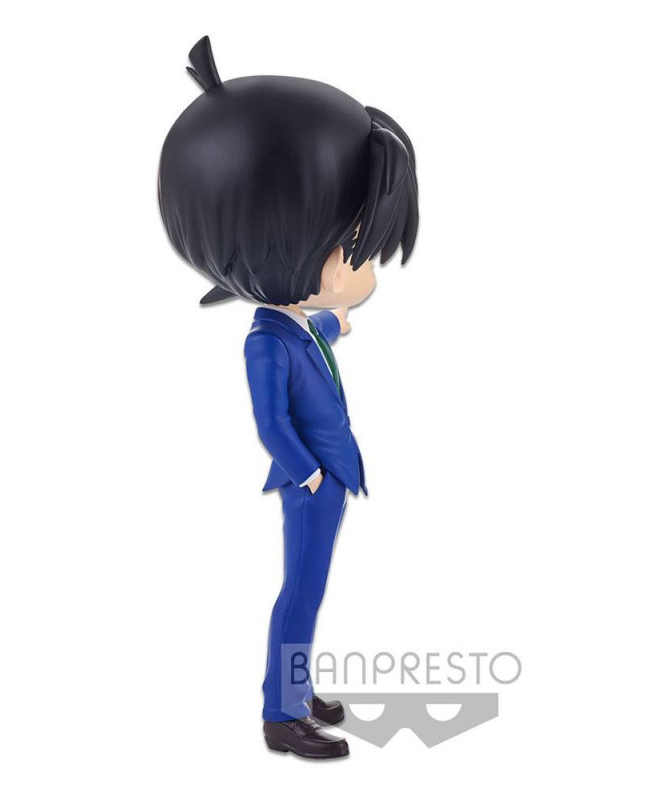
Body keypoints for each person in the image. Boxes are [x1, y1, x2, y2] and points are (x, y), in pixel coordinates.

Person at [158, 35, 419, 759]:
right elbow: (271, 421)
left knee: (311, 593)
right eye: (354, 248)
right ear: (289, 251)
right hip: (312, 484)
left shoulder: (298, 327)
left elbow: (321, 331)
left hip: (328, 477)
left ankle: (297, 689)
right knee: (299, 595)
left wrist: (337, 321)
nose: (366, 267)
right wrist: (308, 476)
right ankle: (282, 715)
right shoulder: (265, 344)